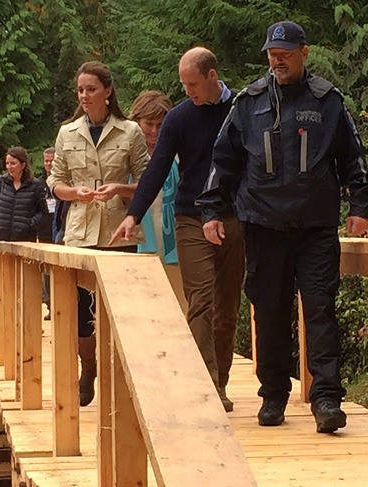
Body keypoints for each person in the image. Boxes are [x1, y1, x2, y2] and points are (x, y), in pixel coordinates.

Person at [199, 21, 368, 433]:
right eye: (271, 54)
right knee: (270, 311)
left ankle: (327, 399)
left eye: (284, 53)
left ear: (304, 52)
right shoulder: (248, 102)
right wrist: (211, 211)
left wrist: (360, 205)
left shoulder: (327, 100)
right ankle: (273, 395)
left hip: (315, 227)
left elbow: (353, 156)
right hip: (262, 225)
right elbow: (223, 162)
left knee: (319, 310)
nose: (276, 60)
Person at [109, 47, 245, 412]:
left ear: (212, 76)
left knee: (227, 307)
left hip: (235, 217)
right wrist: (133, 215)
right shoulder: (180, 119)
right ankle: (209, 388)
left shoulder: (242, 110)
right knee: (201, 300)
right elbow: (155, 170)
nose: (187, 91)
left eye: (193, 84)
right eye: (183, 83)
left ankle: (222, 379)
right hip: (192, 217)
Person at [46, 61, 149, 406]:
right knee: (79, 311)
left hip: (118, 231)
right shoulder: (67, 133)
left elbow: (147, 182)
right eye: (80, 90)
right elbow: (55, 181)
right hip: (79, 230)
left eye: (91, 89)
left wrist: (119, 187)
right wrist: (75, 193)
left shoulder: (130, 131)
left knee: (120, 308)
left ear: (108, 91)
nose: (85, 95)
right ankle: (87, 368)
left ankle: (121, 376)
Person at [129, 90, 187, 311]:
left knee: (178, 302)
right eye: (149, 124)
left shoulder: (179, 151)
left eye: (160, 124)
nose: (154, 131)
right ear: (137, 121)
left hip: (172, 237)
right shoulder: (128, 152)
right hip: (139, 236)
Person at [0, 147, 48, 241]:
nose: (9, 166)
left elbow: (43, 212)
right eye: (7, 163)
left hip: (25, 239)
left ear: (23, 165)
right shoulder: (2, 181)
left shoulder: (35, 185)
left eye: (13, 163)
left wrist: (30, 224)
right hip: (1, 238)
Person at [38, 147, 57, 320]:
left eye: (52, 160)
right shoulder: (39, 184)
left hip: (58, 231)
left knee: (58, 273)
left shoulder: (64, 182)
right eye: (46, 161)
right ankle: (50, 306)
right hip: (43, 232)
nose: (49, 164)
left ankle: (60, 306)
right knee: (45, 274)